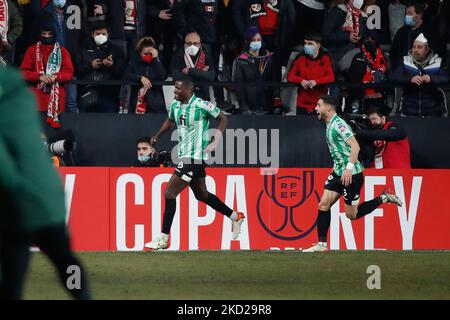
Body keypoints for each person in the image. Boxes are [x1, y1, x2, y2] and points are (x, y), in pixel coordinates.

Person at [0, 67, 90, 300]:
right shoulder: (23, 100)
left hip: (18, 208)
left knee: (11, 277)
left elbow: (5, 172)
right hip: (49, 200)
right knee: (65, 261)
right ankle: (82, 295)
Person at [145, 76, 246, 250]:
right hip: (185, 155)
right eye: (174, 89)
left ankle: (163, 238)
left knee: (169, 193)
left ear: (188, 90)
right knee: (202, 195)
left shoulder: (201, 104)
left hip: (195, 157)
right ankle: (235, 217)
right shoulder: (176, 105)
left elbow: (222, 118)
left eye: (178, 89)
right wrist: (156, 136)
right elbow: (170, 121)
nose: (175, 92)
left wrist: (215, 141)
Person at [303, 96, 403, 253]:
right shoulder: (329, 124)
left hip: (352, 175)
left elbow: (355, 147)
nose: (316, 108)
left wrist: (348, 169)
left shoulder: (339, 125)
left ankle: (383, 198)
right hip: (338, 173)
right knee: (323, 205)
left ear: (328, 108)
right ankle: (321, 245)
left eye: (318, 105)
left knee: (352, 215)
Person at [20, 22, 74, 128]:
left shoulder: (63, 52)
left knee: (55, 133)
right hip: (36, 99)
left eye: (49, 34)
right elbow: (23, 72)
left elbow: (69, 73)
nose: (46, 36)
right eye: (44, 34)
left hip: (57, 99)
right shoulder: (31, 50)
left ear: (54, 34)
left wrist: (55, 77)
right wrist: (39, 77)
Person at [390, 33, 448, 117]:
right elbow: (394, 76)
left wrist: (431, 78)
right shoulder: (405, 61)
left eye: (419, 47)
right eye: (414, 47)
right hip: (408, 113)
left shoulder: (436, 62)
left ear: (427, 49)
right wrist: (410, 78)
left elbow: (445, 77)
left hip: (431, 114)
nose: (416, 50)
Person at [76, 21, 127, 112]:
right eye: (98, 34)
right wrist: (90, 65)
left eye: (103, 34)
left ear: (108, 34)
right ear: (92, 34)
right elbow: (77, 69)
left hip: (109, 94)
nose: (100, 36)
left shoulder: (116, 50)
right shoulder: (83, 48)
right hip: (87, 92)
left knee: (110, 124)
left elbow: (122, 71)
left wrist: (111, 66)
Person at [233, 26, 280, 115]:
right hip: (250, 108)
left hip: (267, 106)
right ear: (247, 41)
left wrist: (277, 101)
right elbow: (239, 87)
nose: (256, 42)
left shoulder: (268, 58)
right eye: (253, 40)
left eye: (258, 40)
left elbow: (274, 81)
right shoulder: (241, 61)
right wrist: (244, 107)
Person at [287, 32, 335, 115]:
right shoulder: (300, 58)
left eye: (310, 43)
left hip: (320, 104)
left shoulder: (326, 58)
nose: (306, 46)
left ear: (318, 45)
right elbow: (290, 76)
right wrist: (301, 80)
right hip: (301, 104)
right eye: (305, 43)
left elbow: (331, 77)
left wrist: (316, 82)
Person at [123, 36, 166, 114]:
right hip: (137, 104)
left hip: (155, 105)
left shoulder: (157, 61)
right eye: (145, 54)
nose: (148, 55)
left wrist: (156, 59)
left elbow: (162, 76)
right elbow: (126, 75)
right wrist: (140, 78)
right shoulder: (134, 63)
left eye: (150, 54)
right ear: (140, 53)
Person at [347, 33, 388, 114]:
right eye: (367, 40)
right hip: (360, 96)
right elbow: (352, 77)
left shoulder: (383, 58)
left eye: (372, 40)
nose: (370, 42)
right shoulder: (357, 57)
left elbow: (388, 76)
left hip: (379, 96)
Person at [389, 1, 436, 70]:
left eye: (410, 13)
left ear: (419, 15)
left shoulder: (429, 33)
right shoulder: (401, 32)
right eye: (406, 13)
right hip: (402, 70)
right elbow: (393, 53)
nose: (406, 16)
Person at [171, 32, 215, 101]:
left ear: (200, 44)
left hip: (203, 98)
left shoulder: (206, 56)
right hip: (184, 98)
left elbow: (211, 76)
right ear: (185, 44)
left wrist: (190, 71)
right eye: (189, 43)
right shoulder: (178, 56)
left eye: (195, 43)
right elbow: (175, 76)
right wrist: (201, 73)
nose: (192, 46)